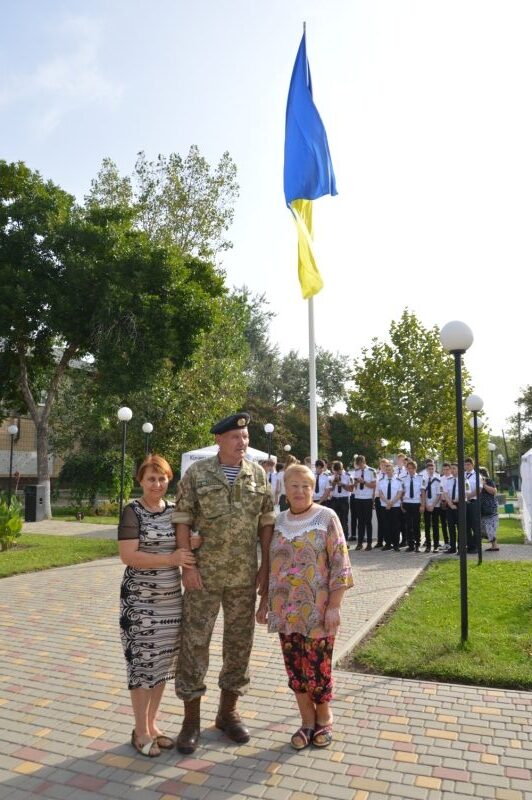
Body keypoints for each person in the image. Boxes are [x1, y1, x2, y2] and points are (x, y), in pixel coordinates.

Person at [172, 412, 275, 754]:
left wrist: (266, 568)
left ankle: (228, 713)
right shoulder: (197, 473)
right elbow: (183, 519)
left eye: (245, 437)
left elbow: (266, 524)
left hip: (244, 576)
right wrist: (187, 565)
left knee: (239, 644)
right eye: (236, 437)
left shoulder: (257, 474)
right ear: (219, 439)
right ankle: (191, 721)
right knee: (194, 643)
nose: (242, 443)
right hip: (204, 575)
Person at [256, 464, 353, 750]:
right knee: (295, 669)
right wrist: (264, 603)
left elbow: (340, 563)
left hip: (318, 611)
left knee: (317, 668)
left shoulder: (326, 517)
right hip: (285, 610)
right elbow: (271, 567)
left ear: (315, 488)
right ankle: (306, 721)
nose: (300, 491)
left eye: (306, 486)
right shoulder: (278, 521)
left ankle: (325, 718)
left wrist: (335, 606)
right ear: (285, 489)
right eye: (294, 485)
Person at [118, 455, 196, 757]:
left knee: (161, 666)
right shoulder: (132, 512)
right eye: (151, 478)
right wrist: (170, 560)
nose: (157, 484)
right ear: (141, 480)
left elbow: (184, 544)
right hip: (140, 604)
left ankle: (152, 725)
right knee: (142, 666)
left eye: (162, 478)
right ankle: (140, 731)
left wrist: (196, 542)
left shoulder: (174, 512)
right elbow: (129, 556)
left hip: (170, 602)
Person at [351, 455, 376, 550]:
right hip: (358, 497)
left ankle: (369, 543)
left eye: (360, 464)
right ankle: (359, 542)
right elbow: (353, 485)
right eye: (358, 465)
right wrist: (355, 483)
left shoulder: (371, 471)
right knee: (360, 521)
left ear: (364, 462)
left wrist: (364, 482)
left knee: (367, 521)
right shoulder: (356, 472)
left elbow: (374, 485)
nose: (359, 466)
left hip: (367, 498)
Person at [378, 463, 404, 551]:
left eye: (390, 470)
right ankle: (388, 544)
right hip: (384, 505)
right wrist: (387, 502)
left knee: (395, 525)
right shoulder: (381, 481)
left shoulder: (399, 481)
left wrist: (391, 503)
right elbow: (380, 494)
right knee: (386, 525)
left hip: (395, 505)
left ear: (393, 470)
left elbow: (399, 493)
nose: (388, 472)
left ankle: (396, 544)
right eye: (387, 470)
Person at [401, 459, 424, 552]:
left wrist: (422, 505)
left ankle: (417, 544)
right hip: (407, 503)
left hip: (416, 504)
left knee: (416, 525)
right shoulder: (403, 479)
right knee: (408, 525)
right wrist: (401, 505)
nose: (410, 470)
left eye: (412, 468)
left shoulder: (421, 478)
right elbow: (401, 493)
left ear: (415, 469)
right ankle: (410, 545)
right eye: (408, 468)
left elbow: (423, 493)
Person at [479, 466, 500, 551]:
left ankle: (495, 546)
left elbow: (494, 491)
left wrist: (484, 484)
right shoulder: (476, 482)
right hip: (481, 509)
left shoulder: (488, 481)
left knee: (489, 528)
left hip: (489, 508)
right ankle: (478, 546)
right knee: (481, 528)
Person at [328, 460, 351, 537]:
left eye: (338, 470)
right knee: (334, 520)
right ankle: (335, 539)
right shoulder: (332, 476)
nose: (336, 472)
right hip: (334, 499)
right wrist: (334, 483)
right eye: (335, 471)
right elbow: (330, 489)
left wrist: (342, 485)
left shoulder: (348, 476)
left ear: (341, 468)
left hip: (344, 499)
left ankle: (345, 540)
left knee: (344, 520)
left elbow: (351, 489)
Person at [423, 461, 441, 552]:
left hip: (435, 506)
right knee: (427, 526)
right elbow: (423, 494)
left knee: (435, 526)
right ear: (426, 470)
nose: (431, 470)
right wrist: (426, 505)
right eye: (429, 469)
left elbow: (439, 495)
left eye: (432, 468)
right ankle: (428, 545)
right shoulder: (424, 480)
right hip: (426, 505)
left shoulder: (438, 480)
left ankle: (436, 546)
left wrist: (433, 505)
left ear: (434, 469)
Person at [442, 462, 459, 554]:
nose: (452, 470)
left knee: (460, 527)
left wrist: (456, 502)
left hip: (460, 505)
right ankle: (452, 547)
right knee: (451, 527)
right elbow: (445, 493)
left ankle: (461, 547)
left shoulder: (463, 480)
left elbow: (466, 493)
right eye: (451, 468)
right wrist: (450, 504)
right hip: (450, 505)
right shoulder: (449, 480)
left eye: (454, 468)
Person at [465, 456, 480, 553]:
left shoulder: (477, 475)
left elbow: (479, 489)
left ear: (472, 465)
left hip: (473, 502)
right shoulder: (462, 475)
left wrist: (468, 496)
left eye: (468, 464)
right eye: (465, 464)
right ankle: (470, 546)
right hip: (464, 504)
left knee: (475, 525)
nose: (467, 466)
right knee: (466, 525)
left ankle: (476, 546)